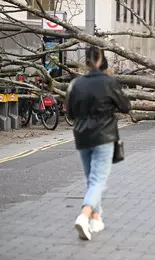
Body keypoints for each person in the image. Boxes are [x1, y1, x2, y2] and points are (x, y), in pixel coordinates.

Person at [66, 46, 130, 240]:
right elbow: (125, 106)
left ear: (86, 62)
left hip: (82, 136)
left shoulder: (76, 83)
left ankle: (96, 218)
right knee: (97, 181)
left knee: (91, 180)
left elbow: (69, 113)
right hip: (104, 136)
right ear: (103, 63)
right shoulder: (109, 82)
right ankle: (84, 216)